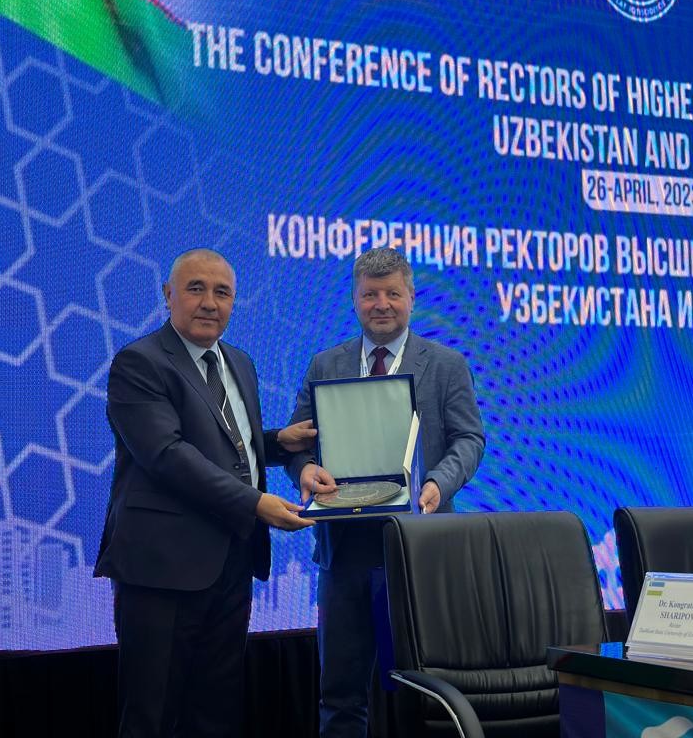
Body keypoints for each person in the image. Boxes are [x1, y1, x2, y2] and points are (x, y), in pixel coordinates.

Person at [94, 248, 335, 737]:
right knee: (152, 716)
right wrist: (256, 503)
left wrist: (276, 443)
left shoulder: (239, 363)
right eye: (196, 289)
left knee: (216, 714)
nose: (209, 302)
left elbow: (225, 445)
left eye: (222, 292)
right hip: (161, 571)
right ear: (168, 295)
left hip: (231, 564)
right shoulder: (139, 363)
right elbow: (167, 455)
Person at [286, 247, 485, 738]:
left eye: (392, 294)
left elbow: (469, 439)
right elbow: (296, 442)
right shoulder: (325, 364)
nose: (381, 304)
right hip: (344, 553)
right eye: (370, 294)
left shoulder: (446, 365)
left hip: (419, 549)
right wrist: (305, 470)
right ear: (355, 300)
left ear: (411, 298)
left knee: (428, 692)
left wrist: (437, 482)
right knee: (340, 695)